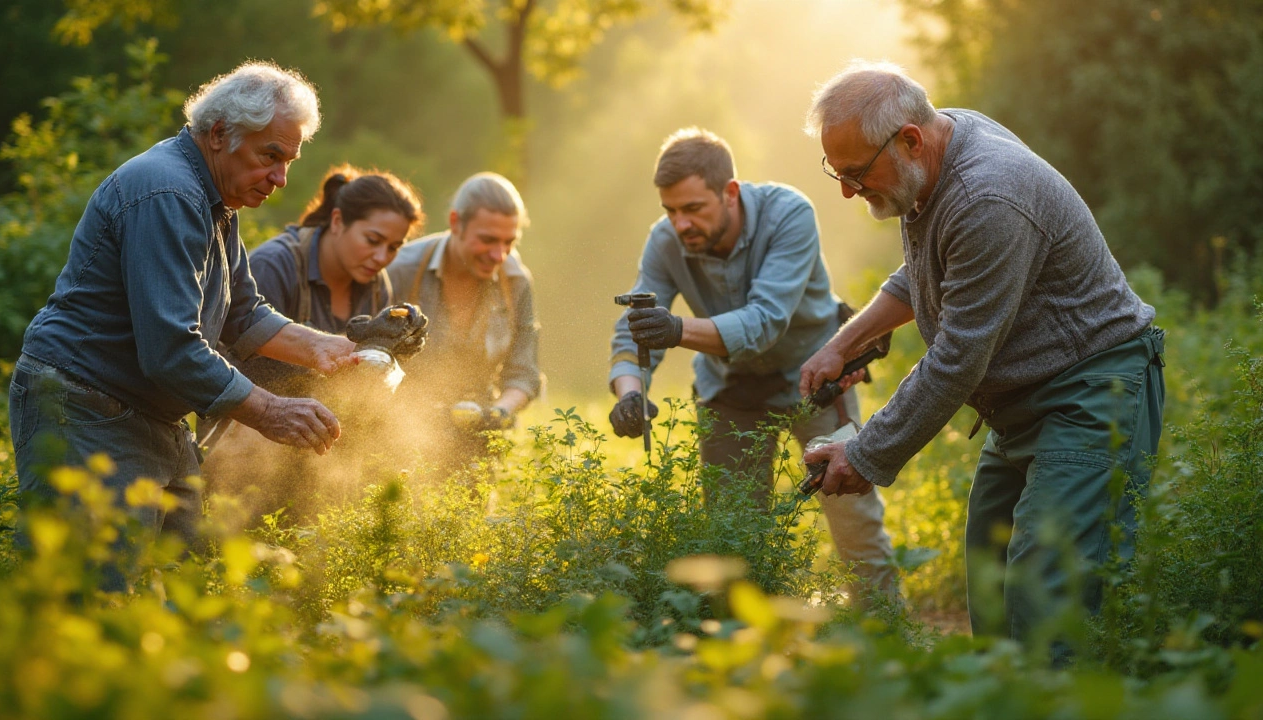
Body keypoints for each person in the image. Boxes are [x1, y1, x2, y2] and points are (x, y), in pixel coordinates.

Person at [799, 61, 1165, 652]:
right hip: (1020, 402)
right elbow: (925, 270)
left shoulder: (988, 192)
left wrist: (865, 453)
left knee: (1046, 588)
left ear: (910, 139)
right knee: (991, 577)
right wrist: (843, 343)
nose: (847, 190)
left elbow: (958, 357)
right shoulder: (946, 140)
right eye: (834, 172)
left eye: (856, 173)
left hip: (1092, 392)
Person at [8, 62, 358, 575]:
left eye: (288, 161)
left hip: (148, 416)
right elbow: (171, 348)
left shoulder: (218, 200)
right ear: (219, 134)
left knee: (189, 586)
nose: (281, 179)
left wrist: (322, 347)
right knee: (82, 594)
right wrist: (269, 411)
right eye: (271, 156)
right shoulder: (168, 192)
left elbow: (242, 314)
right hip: (84, 407)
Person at [607, 127, 897, 600]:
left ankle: (887, 630)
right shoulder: (664, 241)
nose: (680, 224)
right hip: (730, 391)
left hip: (817, 383)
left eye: (694, 209)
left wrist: (677, 329)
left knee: (854, 518)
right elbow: (635, 329)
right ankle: (742, 647)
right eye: (671, 211)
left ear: (731, 193)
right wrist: (630, 393)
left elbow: (765, 322)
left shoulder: (790, 215)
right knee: (732, 534)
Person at [201, 165, 426, 521]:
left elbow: (363, 385)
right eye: (372, 240)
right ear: (337, 221)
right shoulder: (274, 266)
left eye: (394, 247)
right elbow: (241, 364)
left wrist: (390, 350)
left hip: (321, 432)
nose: (382, 257)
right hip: (247, 431)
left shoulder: (375, 283)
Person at [385, 172, 542, 472]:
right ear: (456, 223)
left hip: (481, 442)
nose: (499, 254)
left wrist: (497, 414)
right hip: (403, 434)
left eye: (510, 242)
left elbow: (524, 373)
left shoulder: (516, 282)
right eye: (487, 240)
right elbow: (372, 359)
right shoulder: (401, 270)